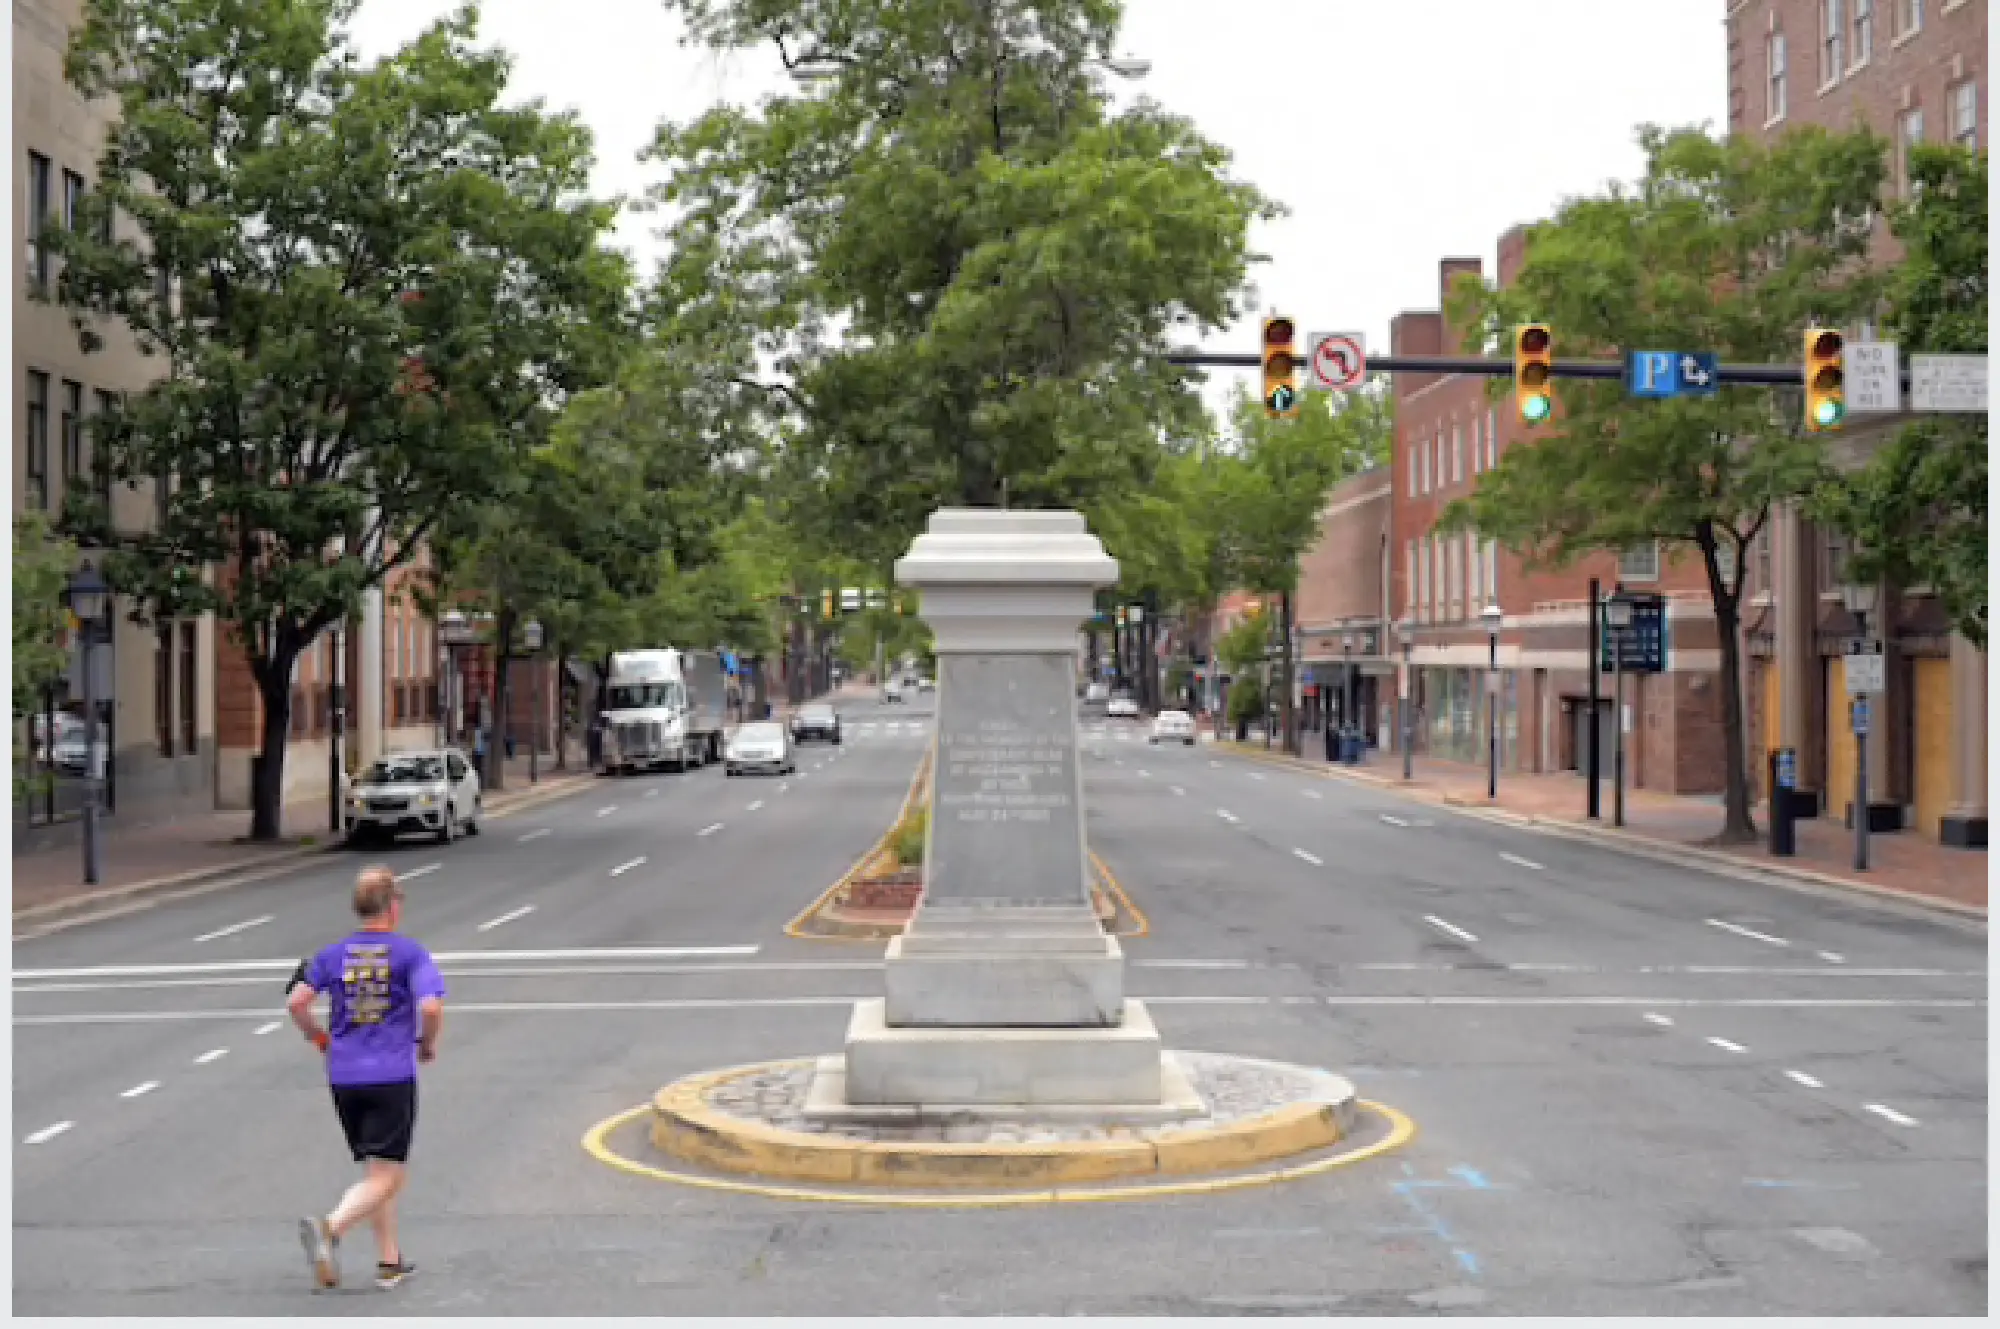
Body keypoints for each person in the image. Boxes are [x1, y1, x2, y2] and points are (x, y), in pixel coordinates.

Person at [287, 866, 446, 1292]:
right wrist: (427, 1044)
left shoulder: (331, 955)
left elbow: (297, 1001)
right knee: (390, 1175)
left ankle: (388, 1260)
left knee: (376, 1168)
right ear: (393, 908)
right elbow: (430, 1008)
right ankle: (331, 1229)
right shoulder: (410, 954)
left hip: (343, 1075)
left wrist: (318, 1037)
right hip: (391, 1073)